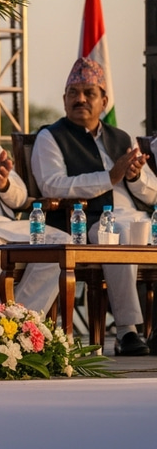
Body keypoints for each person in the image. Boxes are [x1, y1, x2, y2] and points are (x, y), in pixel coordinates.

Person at [31, 57, 157, 356]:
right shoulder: (50, 137)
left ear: (104, 101)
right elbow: (52, 185)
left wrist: (134, 176)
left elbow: (152, 193)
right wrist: (109, 177)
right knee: (118, 232)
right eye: (73, 93)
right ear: (64, 99)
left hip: (135, 216)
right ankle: (127, 331)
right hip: (86, 221)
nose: (81, 99)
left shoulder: (121, 137)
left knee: (129, 227)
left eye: (89, 93)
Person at [0, 132, 69, 313]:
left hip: (4, 223)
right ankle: (2, 318)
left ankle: (21, 317)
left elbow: (20, 197)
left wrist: (4, 184)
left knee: (62, 243)